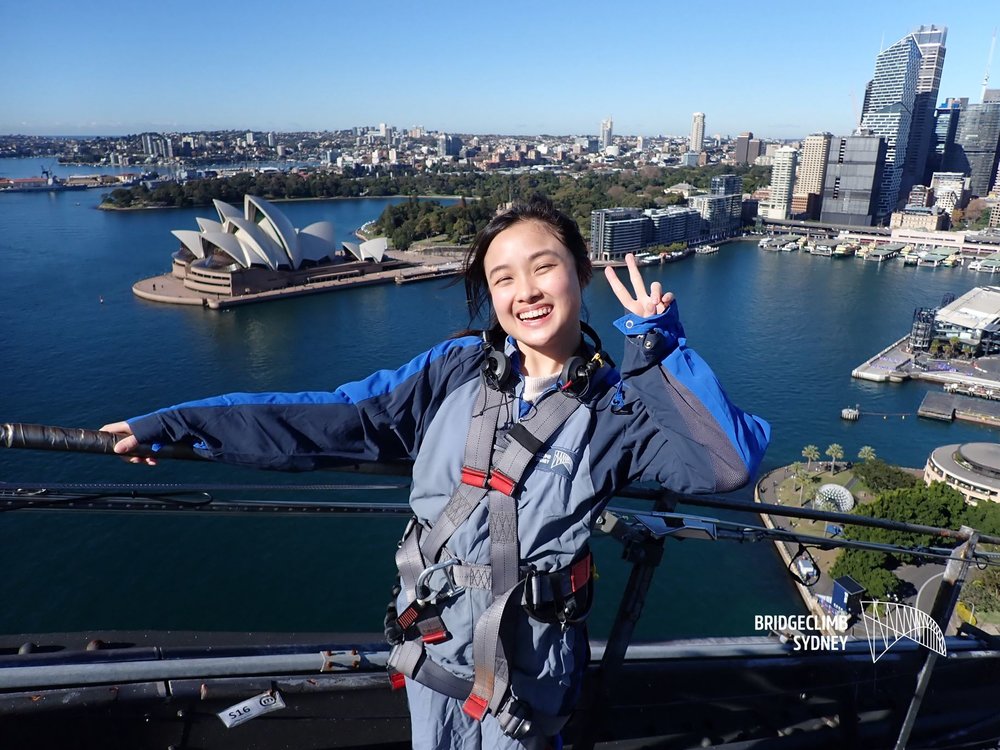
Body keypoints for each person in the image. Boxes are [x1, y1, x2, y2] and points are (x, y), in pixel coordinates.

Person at [102, 198, 769, 750]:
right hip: (432, 651)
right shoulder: (456, 370)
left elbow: (725, 462)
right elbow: (338, 420)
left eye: (544, 268)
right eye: (503, 277)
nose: (525, 291)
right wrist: (180, 422)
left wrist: (658, 346)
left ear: (581, 272)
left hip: (529, 677)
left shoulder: (620, 405)